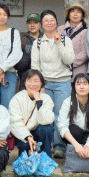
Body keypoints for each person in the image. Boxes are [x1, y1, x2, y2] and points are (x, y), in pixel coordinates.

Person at [30, 9, 75, 158]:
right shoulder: (38, 42)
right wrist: (39, 85)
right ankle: (46, 145)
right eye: (46, 20)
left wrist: (58, 44)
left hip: (63, 82)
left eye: (52, 20)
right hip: (45, 83)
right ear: (42, 24)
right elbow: (35, 66)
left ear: (56, 22)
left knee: (60, 114)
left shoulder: (65, 40)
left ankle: (59, 146)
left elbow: (69, 60)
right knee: (44, 114)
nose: (49, 23)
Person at [57, 73, 89, 162]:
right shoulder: (67, 102)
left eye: (85, 84)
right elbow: (62, 125)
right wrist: (77, 146)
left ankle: (87, 155)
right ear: (74, 87)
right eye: (78, 84)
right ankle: (75, 153)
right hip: (75, 136)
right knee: (73, 129)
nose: (82, 87)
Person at [8, 69, 55, 157]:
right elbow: (15, 122)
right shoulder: (17, 98)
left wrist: (39, 102)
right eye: (29, 81)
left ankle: (46, 157)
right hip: (22, 133)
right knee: (25, 146)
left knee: (47, 129)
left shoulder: (46, 98)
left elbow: (47, 120)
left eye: (36, 81)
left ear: (41, 83)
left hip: (38, 132)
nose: (33, 84)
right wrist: (28, 136)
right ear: (25, 83)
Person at [59, 3, 89, 77]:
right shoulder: (60, 29)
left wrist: (68, 63)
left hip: (78, 72)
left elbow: (84, 54)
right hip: (60, 71)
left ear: (82, 16)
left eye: (78, 12)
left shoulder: (86, 32)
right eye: (72, 11)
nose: (75, 14)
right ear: (68, 14)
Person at [15, 13, 42, 82]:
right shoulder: (22, 38)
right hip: (25, 76)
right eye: (29, 23)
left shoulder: (45, 38)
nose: (32, 25)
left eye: (35, 22)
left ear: (40, 24)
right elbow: (16, 57)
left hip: (42, 76)